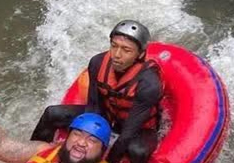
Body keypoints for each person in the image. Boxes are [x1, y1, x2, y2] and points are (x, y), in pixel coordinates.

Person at [31, 20, 162, 163]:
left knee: (138, 151)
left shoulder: (149, 84)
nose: (117, 55)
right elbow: (94, 105)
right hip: (108, 115)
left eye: (126, 50)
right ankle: (34, 155)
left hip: (138, 126)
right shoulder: (97, 62)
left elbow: (128, 133)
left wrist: (108, 159)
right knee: (52, 113)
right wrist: (89, 134)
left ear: (140, 54)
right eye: (114, 46)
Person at [0, 87, 111, 163]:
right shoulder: (44, 152)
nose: (81, 142)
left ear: (102, 151)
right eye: (77, 134)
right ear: (67, 138)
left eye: (92, 140)